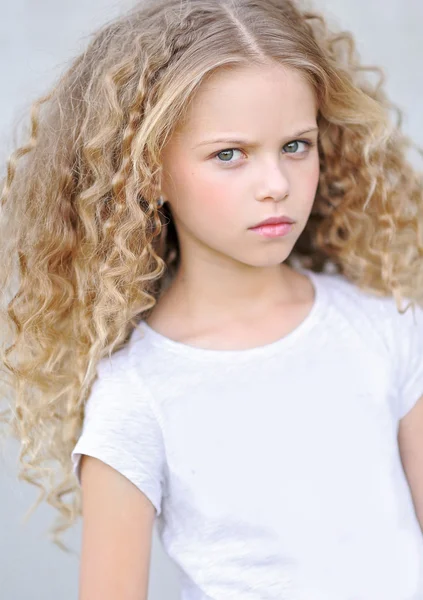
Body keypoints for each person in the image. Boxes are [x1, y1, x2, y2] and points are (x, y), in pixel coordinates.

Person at [0, 0, 422, 598]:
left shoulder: (388, 327)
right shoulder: (135, 398)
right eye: (230, 154)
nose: (275, 184)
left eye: (296, 146)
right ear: (146, 174)